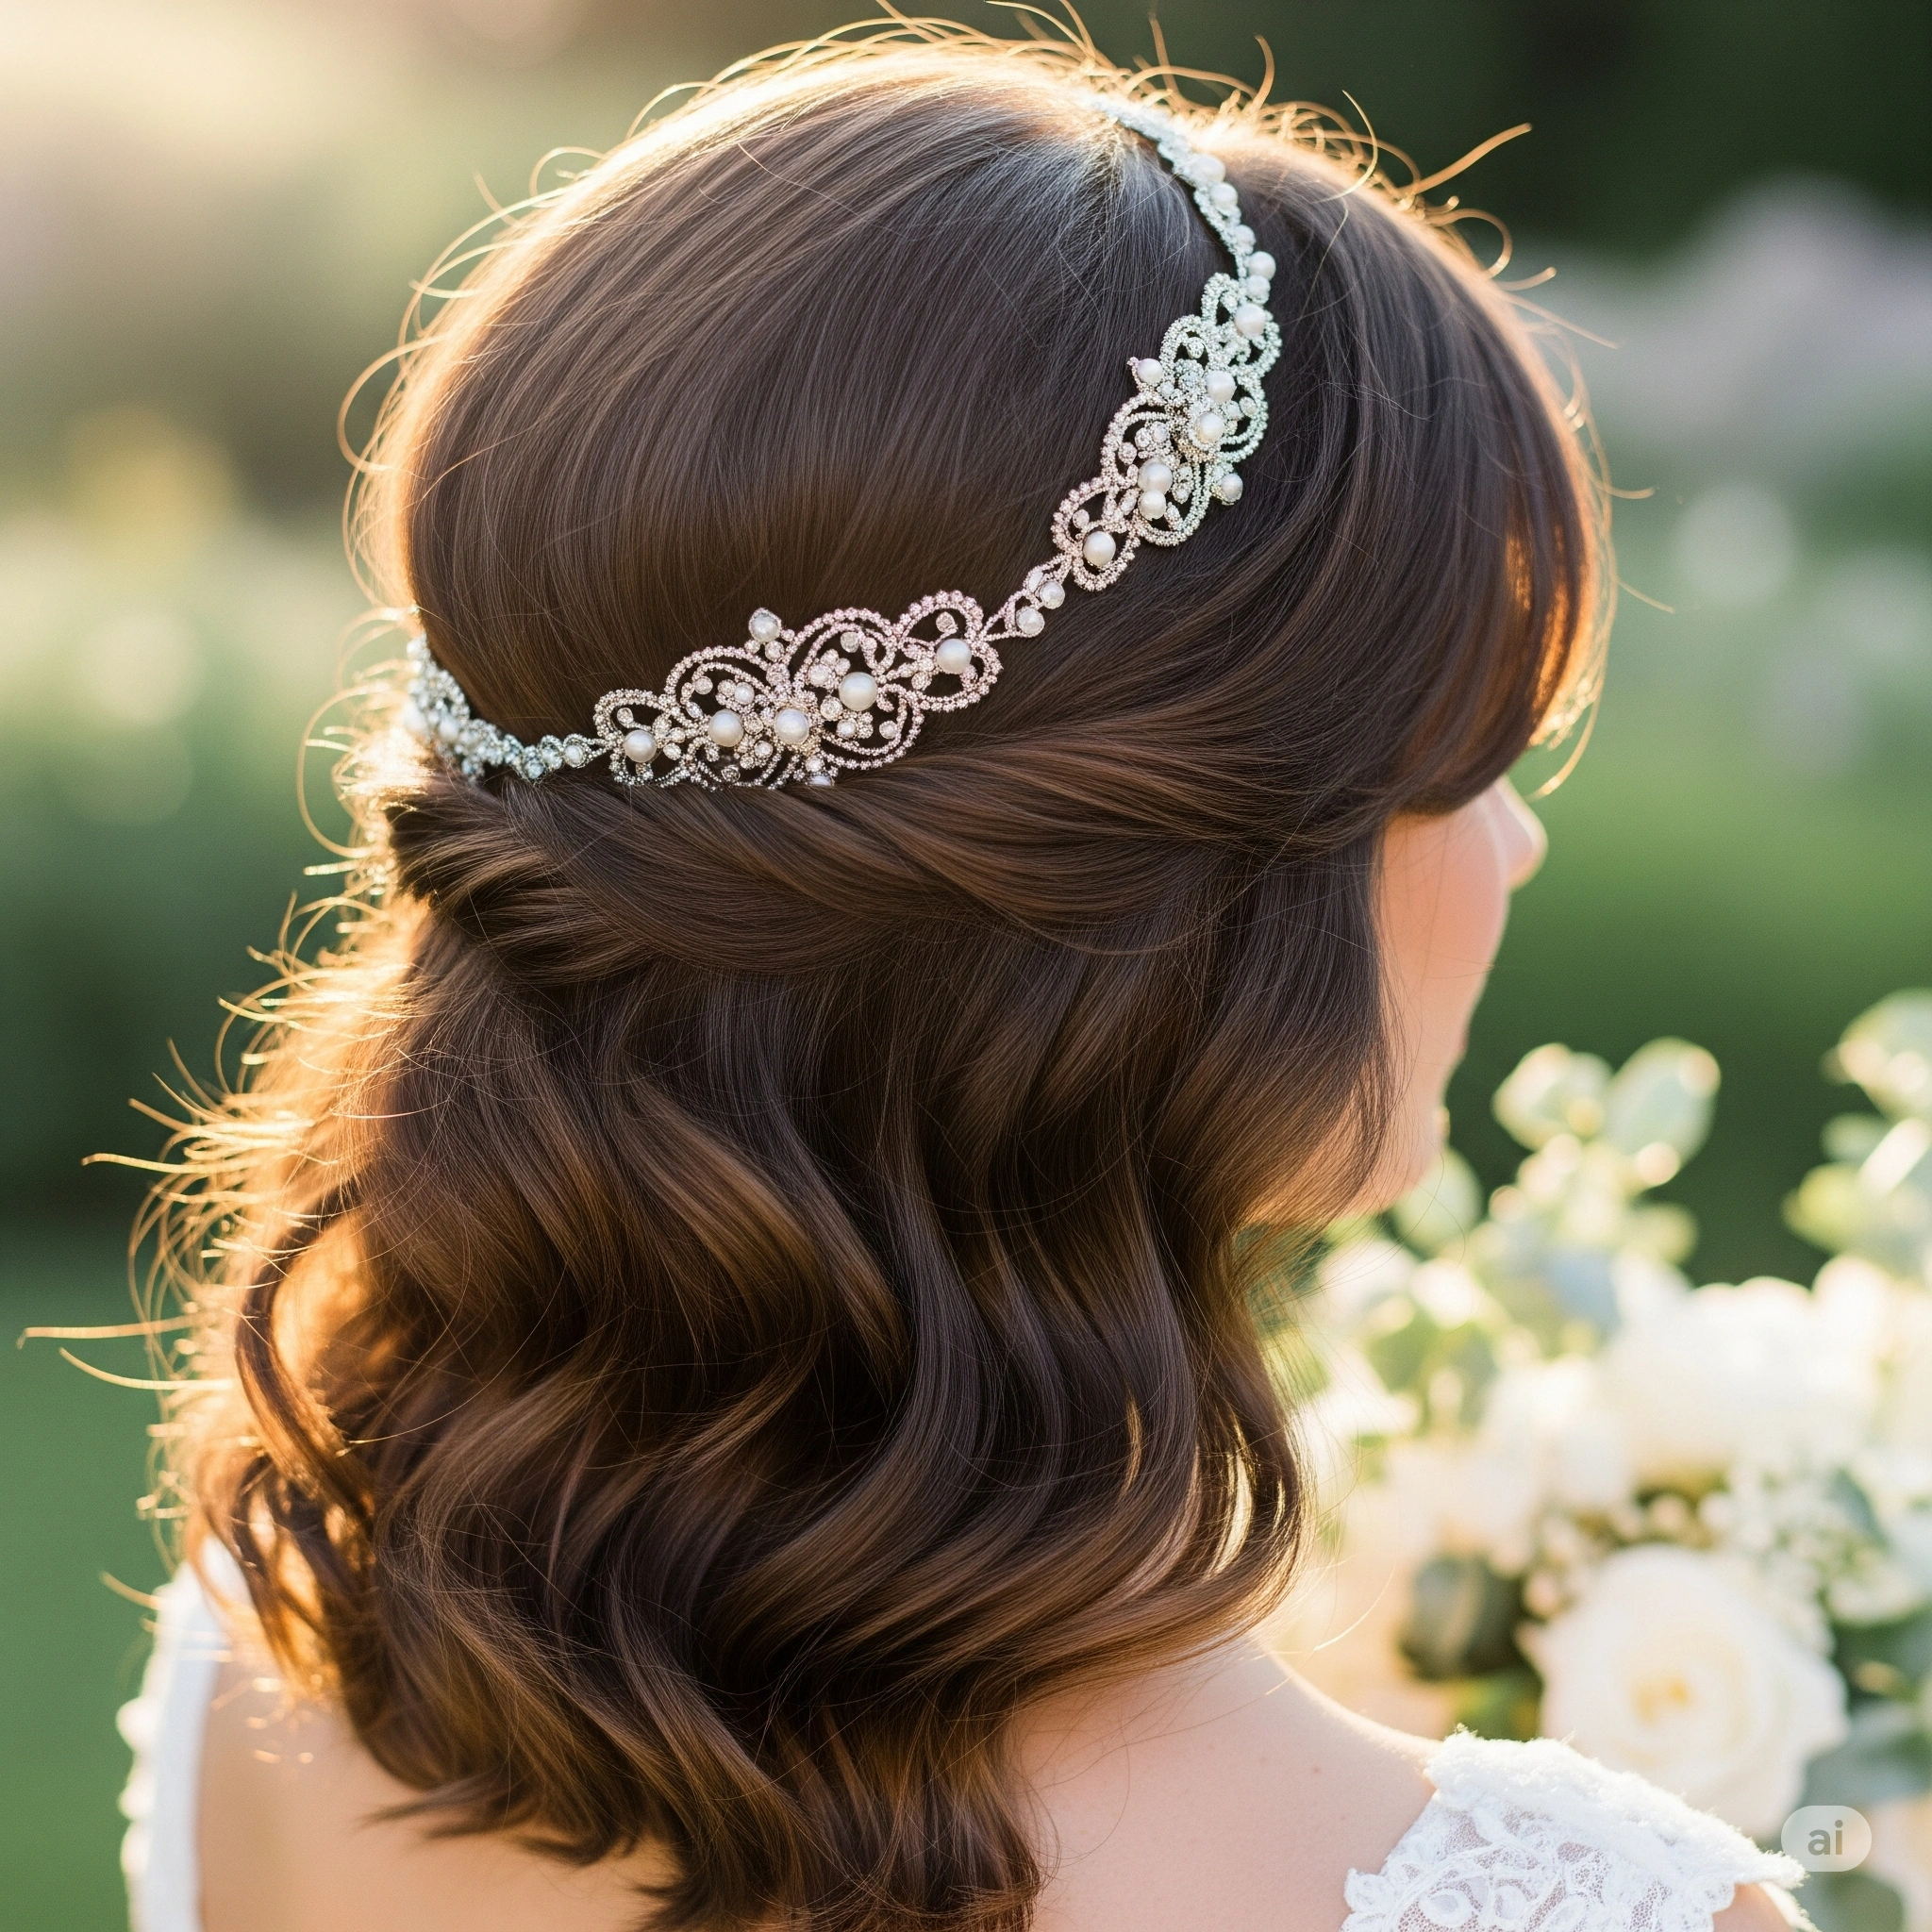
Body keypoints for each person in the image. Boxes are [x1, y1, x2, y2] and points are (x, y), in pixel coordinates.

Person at [115, 22, 1806, 1932]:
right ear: (1163, 899)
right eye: (1468, 753)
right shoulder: (1598, 1913)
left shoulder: (276, 1665)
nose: (1516, 847)